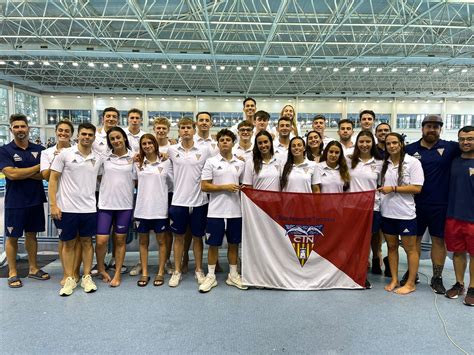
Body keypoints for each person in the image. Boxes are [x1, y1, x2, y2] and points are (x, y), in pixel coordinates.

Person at [405, 115, 460, 293]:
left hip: (440, 205)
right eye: (428, 126)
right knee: (414, 240)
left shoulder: (450, 147)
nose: (432, 129)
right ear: (422, 128)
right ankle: (412, 272)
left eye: (436, 127)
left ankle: (437, 277)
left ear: (440, 129)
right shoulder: (409, 149)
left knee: (438, 240)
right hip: (415, 204)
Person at [48, 123, 102, 296]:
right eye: (83, 134)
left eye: (90, 135)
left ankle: (86, 276)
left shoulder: (98, 158)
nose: (86, 137)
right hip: (67, 208)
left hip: (89, 208)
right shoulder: (65, 154)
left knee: (87, 243)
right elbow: (53, 179)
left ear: (94, 137)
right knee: (69, 244)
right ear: (77, 136)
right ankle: (70, 277)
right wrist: (53, 205)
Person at [0, 114, 48, 288]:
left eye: (23, 126)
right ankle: (13, 273)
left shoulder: (39, 149)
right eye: (16, 127)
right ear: (11, 129)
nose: (20, 129)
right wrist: (36, 167)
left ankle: (33, 268)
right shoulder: (5, 150)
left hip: (35, 200)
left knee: (32, 235)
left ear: (28, 128)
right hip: (15, 202)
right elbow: (11, 174)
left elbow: (44, 175)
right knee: (12, 237)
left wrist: (21, 172)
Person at [199, 129, 247, 293]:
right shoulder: (211, 162)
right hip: (215, 212)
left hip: (235, 212)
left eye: (228, 139)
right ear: (218, 143)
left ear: (233, 143)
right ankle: (211, 276)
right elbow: (204, 186)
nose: (225, 142)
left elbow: (245, 186)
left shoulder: (240, 164)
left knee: (234, 245)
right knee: (213, 245)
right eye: (222, 140)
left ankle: (233, 275)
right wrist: (224, 187)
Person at [167, 117, 212, 287]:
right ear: (178, 131)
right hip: (179, 202)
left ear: (194, 130)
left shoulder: (205, 150)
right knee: (178, 238)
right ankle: (177, 271)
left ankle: (199, 270)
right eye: (182, 128)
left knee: (197, 238)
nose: (185, 130)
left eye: (188, 127)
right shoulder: (172, 150)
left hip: (200, 201)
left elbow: (217, 162)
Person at [378, 133, 424, 295]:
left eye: (395, 143)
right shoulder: (385, 163)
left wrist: (394, 189)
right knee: (391, 247)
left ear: (401, 144)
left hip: (405, 214)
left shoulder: (413, 162)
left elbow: (417, 188)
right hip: (387, 213)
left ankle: (410, 283)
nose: (391, 146)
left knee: (410, 249)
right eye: (388, 143)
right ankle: (395, 279)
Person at [40, 120, 81, 286]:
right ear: (56, 132)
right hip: (61, 201)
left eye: (67, 131)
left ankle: (76, 272)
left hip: (78, 202)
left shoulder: (77, 151)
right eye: (60, 130)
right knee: (64, 239)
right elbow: (45, 175)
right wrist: (57, 160)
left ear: (71, 134)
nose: (63, 133)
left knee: (78, 239)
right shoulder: (48, 153)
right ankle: (67, 273)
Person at [94, 127, 136, 287]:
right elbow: (97, 176)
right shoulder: (104, 157)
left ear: (124, 138)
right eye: (112, 139)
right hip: (105, 204)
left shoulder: (134, 157)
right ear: (109, 142)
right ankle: (101, 268)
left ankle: (117, 272)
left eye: (118, 137)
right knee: (101, 241)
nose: (116, 141)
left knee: (120, 239)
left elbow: (138, 179)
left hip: (124, 205)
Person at [133, 134, 173, 287]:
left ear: (155, 144)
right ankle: (144, 272)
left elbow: (171, 183)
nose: (147, 145)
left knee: (162, 241)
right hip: (142, 209)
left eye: (150, 143)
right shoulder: (137, 163)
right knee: (143, 242)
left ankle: (161, 272)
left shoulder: (166, 162)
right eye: (144, 143)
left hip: (159, 209)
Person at [349, 131, 383, 288]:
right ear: (357, 143)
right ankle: (353, 271)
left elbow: (381, 186)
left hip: (372, 208)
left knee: (366, 242)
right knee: (353, 241)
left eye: (367, 141)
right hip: (352, 207)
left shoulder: (379, 163)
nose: (364, 144)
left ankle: (362, 273)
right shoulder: (349, 161)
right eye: (361, 141)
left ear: (373, 143)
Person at [444, 126, 474, 306]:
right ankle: (459, 283)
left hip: (473, 219)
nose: (465, 142)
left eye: (470, 138)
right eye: (462, 139)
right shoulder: (453, 161)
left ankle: (472, 288)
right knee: (458, 252)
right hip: (453, 215)